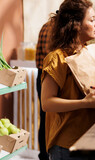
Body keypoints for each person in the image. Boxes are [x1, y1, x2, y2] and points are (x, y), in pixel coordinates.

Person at [41, 0, 95, 160]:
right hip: (67, 145)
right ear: (75, 25)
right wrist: (85, 103)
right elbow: (47, 103)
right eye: (92, 20)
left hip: (91, 138)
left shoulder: (89, 52)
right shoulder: (57, 58)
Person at [35, 20, 52, 160]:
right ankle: (45, 156)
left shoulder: (46, 25)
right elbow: (50, 53)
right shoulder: (53, 27)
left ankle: (44, 155)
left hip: (42, 74)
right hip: (47, 75)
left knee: (45, 117)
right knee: (47, 117)